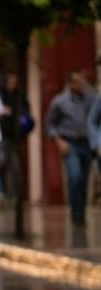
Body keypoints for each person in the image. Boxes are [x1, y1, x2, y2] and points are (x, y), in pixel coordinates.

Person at [45, 70, 96, 225]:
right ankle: (76, 213)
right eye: (77, 81)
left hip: (87, 143)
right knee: (75, 176)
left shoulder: (91, 99)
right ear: (70, 83)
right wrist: (59, 141)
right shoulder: (59, 101)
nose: (81, 84)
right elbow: (50, 125)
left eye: (82, 81)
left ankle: (81, 214)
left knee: (84, 180)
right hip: (70, 143)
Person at [0, 72, 32, 201]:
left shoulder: (21, 96)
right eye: (10, 81)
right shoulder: (0, 96)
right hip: (2, 135)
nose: (12, 84)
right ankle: (2, 194)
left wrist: (20, 116)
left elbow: (27, 112)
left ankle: (16, 196)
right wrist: (2, 111)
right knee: (1, 165)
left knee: (16, 166)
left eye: (15, 82)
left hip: (16, 136)